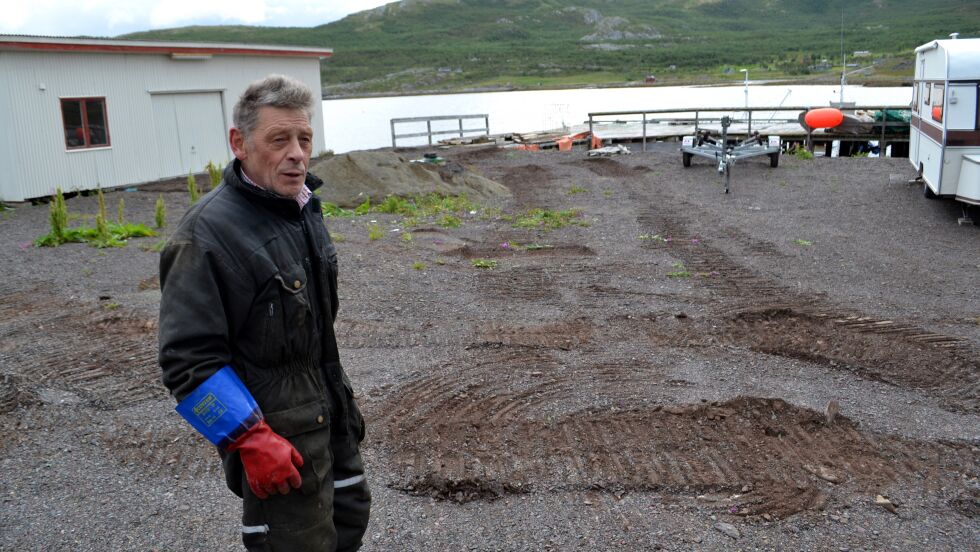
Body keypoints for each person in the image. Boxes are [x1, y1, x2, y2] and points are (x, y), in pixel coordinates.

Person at [158, 74, 370, 551]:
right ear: (240, 143)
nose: (297, 152)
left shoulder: (301, 211)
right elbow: (188, 362)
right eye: (279, 139)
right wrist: (250, 441)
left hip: (329, 427)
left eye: (304, 138)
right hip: (278, 448)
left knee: (349, 527)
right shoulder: (206, 236)